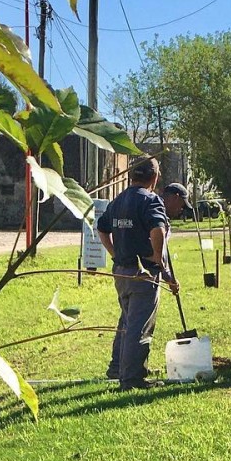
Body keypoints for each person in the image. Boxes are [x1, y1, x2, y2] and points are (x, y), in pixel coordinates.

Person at [97, 158, 179, 389]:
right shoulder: (150, 200)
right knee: (139, 327)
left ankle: (118, 368)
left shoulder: (118, 201)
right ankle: (132, 379)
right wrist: (157, 260)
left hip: (122, 272)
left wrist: (115, 253)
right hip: (143, 273)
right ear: (154, 177)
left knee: (126, 322)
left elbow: (102, 228)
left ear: (131, 176)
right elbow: (158, 229)